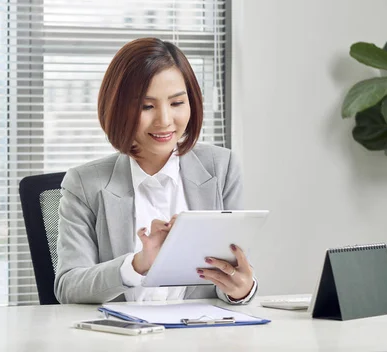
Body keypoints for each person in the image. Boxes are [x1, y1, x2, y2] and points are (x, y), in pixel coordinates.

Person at [54, 38, 257, 304]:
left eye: (176, 103)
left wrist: (241, 290)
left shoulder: (221, 168)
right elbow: (69, 287)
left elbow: (230, 274)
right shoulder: (85, 183)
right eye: (146, 106)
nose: (164, 121)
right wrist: (138, 264)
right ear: (118, 108)